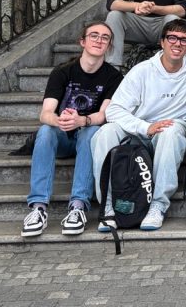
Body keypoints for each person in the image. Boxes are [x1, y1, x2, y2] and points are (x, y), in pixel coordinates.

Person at [91, 19, 186, 231]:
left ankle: (158, 205)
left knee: (170, 130)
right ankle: (108, 206)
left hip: (172, 130)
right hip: (139, 130)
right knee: (105, 132)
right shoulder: (142, 71)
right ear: (162, 42)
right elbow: (114, 110)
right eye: (172, 38)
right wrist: (145, 127)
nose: (177, 43)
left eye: (184, 40)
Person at [21, 22, 123, 238]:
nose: (99, 40)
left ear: (109, 46)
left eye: (105, 37)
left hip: (87, 137)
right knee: (45, 130)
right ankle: (38, 208)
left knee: (91, 131)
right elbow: (45, 113)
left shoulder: (114, 77)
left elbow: (104, 115)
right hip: (63, 135)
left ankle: (78, 206)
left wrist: (81, 121)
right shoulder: (62, 72)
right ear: (82, 42)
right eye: (94, 35)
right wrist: (62, 121)